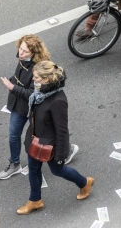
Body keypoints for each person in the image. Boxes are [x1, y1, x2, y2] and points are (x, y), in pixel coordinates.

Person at [0, 35, 81, 179]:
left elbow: (31, 93)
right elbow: (20, 76)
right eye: (20, 49)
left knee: (44, 135)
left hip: (34, 109)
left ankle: (66, 150)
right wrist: (13, 81)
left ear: (34, 53)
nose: (20, 54)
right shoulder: (23, 58)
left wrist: (12, 87)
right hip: (19, 105)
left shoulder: (40, 69)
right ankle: (15, 163)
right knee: (13, 135)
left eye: (24, 51)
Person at [17, 61, 94, 215]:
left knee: (58, 170)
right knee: (33, 170)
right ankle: (35, 200)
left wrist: (60, 156)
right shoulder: (39, 94)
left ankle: (84, 182)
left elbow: (62, 130)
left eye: (37, 77)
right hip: (35, 140)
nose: (33, 79)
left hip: (50, 145)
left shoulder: (58, 100)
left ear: (47, 80)